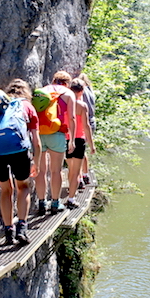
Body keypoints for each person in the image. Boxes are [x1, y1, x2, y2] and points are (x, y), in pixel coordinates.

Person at [0, 79, 41, 244]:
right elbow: (36, 141)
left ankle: (8, 231)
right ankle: (22, 227)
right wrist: (36, 162)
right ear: (26, 93)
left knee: (6, 190)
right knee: (23, 187)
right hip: (19, 151)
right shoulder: (27, 107)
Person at [35, 71, 76, 214]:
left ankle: (41, 203)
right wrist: (72, 139)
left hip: (39, 134)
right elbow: (72, 118)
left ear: (53, 80)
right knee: (55, 171)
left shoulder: (43, 91)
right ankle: (55, 203)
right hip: (57, 134)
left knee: (40, 171)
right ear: (67, 83)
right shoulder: (68, 93)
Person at [65, 78, 95, 209]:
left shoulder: (63, 104)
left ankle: (70, 192)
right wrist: (92, 144)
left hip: (65, 139)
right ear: (82, 91)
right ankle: (71, 198)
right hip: (79, 140)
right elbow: (86, 125)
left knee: (70, 169)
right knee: (76, 171)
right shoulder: (82, 106)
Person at [78, 73, 96, 186]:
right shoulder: (91, 91)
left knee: (79, 152)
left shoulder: (82, 91)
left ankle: (79, 177)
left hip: (84, 122)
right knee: (82, 151)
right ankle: (85, 174)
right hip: (92, 121)